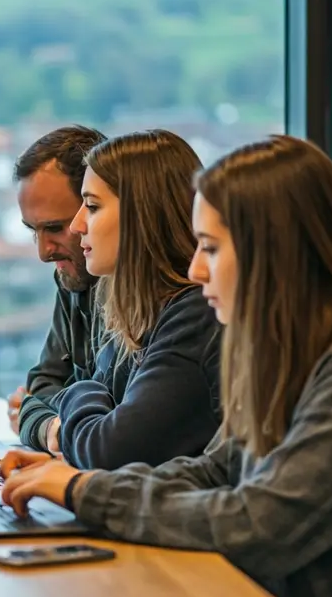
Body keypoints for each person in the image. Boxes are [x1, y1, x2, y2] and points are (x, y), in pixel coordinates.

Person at [0, 135, 332, 597]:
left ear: (274, 251)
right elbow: (214, 472)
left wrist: (84, 490)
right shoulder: (284, 357)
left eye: (211, 248)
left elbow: (260, 526)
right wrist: (75, 484)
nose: (196, 271)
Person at [44, 129, 221, 467]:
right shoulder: (141, 314)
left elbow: (107, 451)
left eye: (92, 206)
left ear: (142, 215)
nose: (77, 225)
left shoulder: (196, 315)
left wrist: (77, 390)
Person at [7, 125, 122, 452]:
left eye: (55, 228)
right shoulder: (72, 277)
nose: (44, 253)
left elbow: (114, 421)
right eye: (34, 231)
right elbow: (42, 384)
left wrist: (42, 421)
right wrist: (47, 420)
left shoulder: (152, 300)